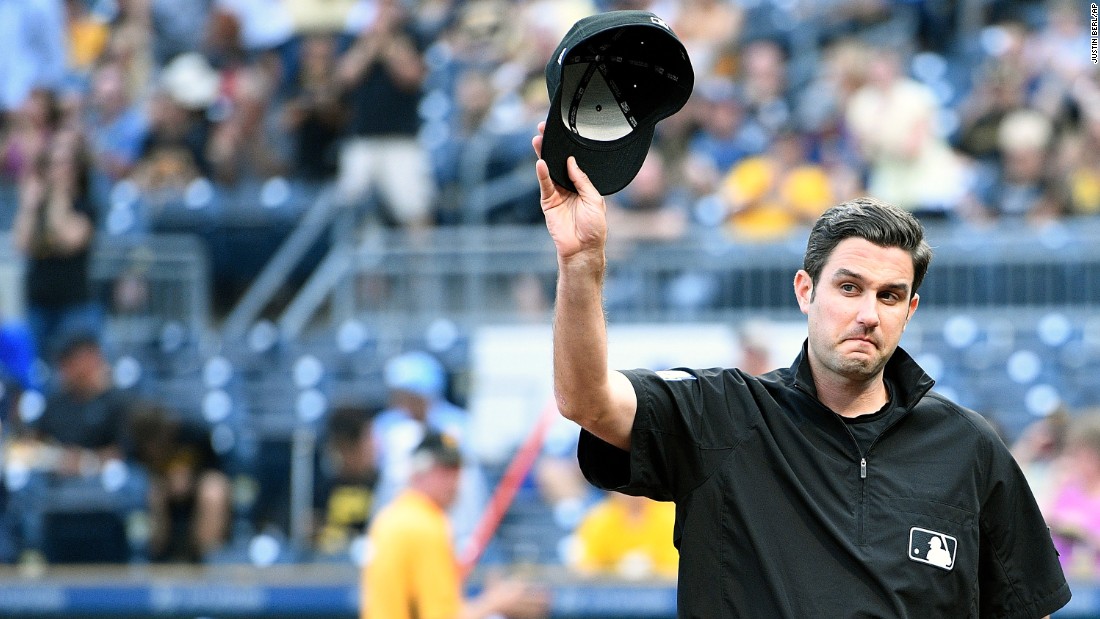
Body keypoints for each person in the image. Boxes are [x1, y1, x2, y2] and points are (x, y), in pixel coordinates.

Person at [531, 121, 1071, 617]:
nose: (867, 313)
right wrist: (581, 264)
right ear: (805, 290)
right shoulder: (723, 414)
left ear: (909, 310)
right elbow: (586, 400)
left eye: (890, 296)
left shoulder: (968, 448)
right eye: (849, 287)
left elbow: (1030, 607)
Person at [362, 430, 548, 619]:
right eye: (443, 472)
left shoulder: (390, 516)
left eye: (456, 471)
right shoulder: (426, 525)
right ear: (417, 473)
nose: (453, 482)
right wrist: (497, 602)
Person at [125, 403, 232, 563]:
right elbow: (130, 472)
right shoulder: (134, 443)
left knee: (213, 490)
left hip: (196, 489)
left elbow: (217, 468)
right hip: (159, 491)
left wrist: (191, 478)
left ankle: (207, 560)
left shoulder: (194, 434)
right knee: (151, 492)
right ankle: (152, 560)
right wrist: (163, 481)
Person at [565, 491, 678, 580]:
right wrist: (618, 571)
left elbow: (674, 569)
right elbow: (586, 567)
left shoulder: (669, 517)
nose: (632, 495)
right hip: (609, 594)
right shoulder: (599, 519)